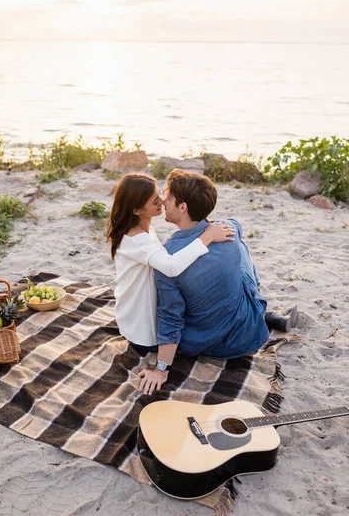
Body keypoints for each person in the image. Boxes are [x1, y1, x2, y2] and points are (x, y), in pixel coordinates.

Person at [138, 169, 296, 396]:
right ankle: (266, 314)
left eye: (168, 197)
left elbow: (170, 319)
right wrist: (209, 225)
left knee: (234, 248)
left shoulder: (168, 259)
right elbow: (236, 225)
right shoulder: (225, 227)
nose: (162, 201)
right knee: (238, 244)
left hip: (215, 346)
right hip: (251, 330)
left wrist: (161, 369)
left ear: (183, 208)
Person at [106, 172, 236, 350]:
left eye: (159, 194)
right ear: (136, 210)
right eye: (154, 201)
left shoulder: (142, 229)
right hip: (144, 333)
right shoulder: (136, 239)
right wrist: (207, 236)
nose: (162, 200)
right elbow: (171, 266)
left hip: (144, 311)